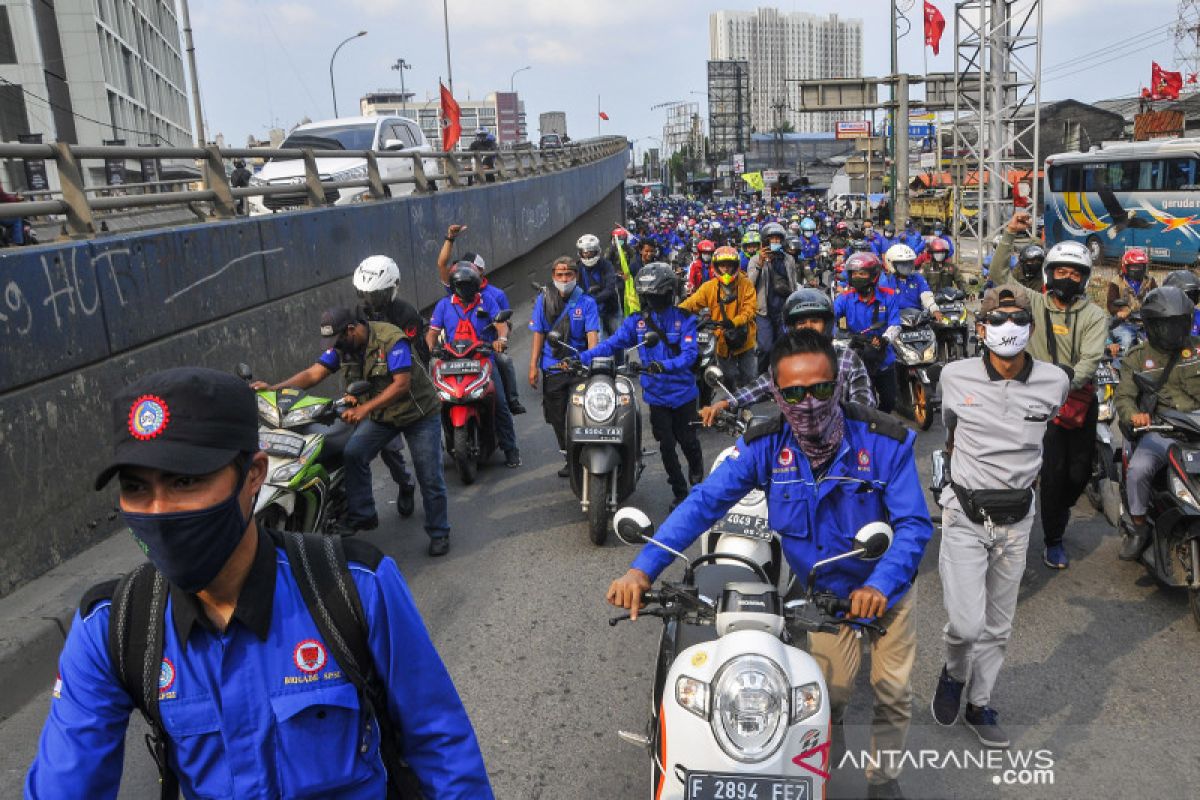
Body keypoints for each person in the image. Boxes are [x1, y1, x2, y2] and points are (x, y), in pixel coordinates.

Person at [26, 367, 492, 797]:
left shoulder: (355, 587)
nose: (158, 511)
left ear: (253, 476)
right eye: (136, 488)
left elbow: (442, 746)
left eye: (185, 481)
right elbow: (64, 782)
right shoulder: (118, 627)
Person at [607, 329, 933, 800]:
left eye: (821, 389)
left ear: (837, 385)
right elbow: (703, 504)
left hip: (889, 587)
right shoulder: (765, 446)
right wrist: (643, 568)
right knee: (825, 693)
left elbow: (913, 525)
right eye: (794, 393)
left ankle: (883, 779)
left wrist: (881, 583)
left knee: (892, 691)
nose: (809, 404)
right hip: (824, 593)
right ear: (777, 395)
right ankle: (821, 753)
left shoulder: (884, 441)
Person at [931, 284, 1069, 749]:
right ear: (980, 328)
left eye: (1017, 320)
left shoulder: (1055, 381)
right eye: (997, 320)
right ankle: (953, 672)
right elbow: (950, 428)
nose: (1007, 328)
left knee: (999, 624)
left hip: (1017, 518)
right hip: (965, 513)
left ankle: (979, 702)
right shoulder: (955, 376)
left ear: (1031, 328)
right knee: (965, 626)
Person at [255, 308, 452, 549]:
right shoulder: (343, 347)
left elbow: (401, 385)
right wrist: (274, 388)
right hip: (382, 415)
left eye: (337, 340)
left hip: (418, 413)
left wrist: (364, 409)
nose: (335, 347)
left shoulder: (391, 340)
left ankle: (439, 532)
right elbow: (313, 373)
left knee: (429, 475)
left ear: (351, 330)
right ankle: (363, 515)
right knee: (354, 453)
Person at [990, 239, 1107, 569]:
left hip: (1079, 402)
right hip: (1039, 404)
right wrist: (1008, 236)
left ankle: (1059, 507)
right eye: (1061, 271)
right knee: (1053, 474)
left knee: (1079, 474)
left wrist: (1064, 385)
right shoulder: (1034, 303)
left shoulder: (1094, 316)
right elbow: (999, 274)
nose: (1067, 277)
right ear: (1049, 272)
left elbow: (1090, 360)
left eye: (1075, 273)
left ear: (1084, 278)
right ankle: (1053, 539)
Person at [581, 262, 703, 509]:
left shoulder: (685, 319)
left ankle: (698, 477)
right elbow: (611, 344)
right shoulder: (636, 322)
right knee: (666, 447)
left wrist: (663, 365)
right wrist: (580, 359)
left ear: (669, 293)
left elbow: (689, 356)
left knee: (688, 440)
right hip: (657, 398)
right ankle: (680, 493)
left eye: (656, 295)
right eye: (647, 295)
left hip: (684, 395)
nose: (651, 300)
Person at [699, 288, 876, 426]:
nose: (808, 327)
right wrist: (724, 403)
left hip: (843, 438)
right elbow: (760, 386)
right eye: (801, 323)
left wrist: (848, 422)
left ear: (826, 324)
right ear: (792, 328)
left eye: (815, 321)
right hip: (795, 439)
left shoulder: (847, 358)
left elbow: (863, 402)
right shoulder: (786, 361)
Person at [1114, 285, 1200, 560]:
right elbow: (1124, 397)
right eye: (1167, 324)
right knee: (1139, 470)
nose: (1174, 330)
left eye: (1179, 323)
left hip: (1197, 429)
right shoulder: (1137, 357)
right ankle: (1139, 526)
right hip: (1162, 431)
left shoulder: (1197, 350)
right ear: (1152, 325)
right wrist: (1134, 416)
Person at [352, 254, 428, 518]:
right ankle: (405, 484)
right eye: (367, 295)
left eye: (377, 294)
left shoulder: (406, 315)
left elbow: (418, 358)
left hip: (408, 389)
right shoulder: (360, 315)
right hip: (377, 391)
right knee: (389, 449)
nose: (371, 301)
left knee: (427, 461)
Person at [428, 264, 521, 468]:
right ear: (453, 286)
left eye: (469, 285)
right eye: (460, 285)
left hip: (482, 358)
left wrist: (501, 340)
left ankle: (510, 448)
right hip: (452, 360)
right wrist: (432, 348)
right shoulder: (444, 305)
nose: (465, 289)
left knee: (499, 402)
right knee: (433, 405)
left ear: (477, 285)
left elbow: (501, 324)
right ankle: (432, 455)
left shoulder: (487, 301)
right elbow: (432, 333)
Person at [437, 225, 526, 414]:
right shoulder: (454, 293)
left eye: (472, 270)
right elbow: (441, 264)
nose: (465, 274)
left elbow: (504, 323)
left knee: (503, 371)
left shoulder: (493, 297)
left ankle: (512, 401)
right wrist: (449, 239)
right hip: (457, 356)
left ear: (481, 272)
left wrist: (500, 340)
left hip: (485, 352)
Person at [528, 256, 602, 477]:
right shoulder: (544, 300)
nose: (564, 279)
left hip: (578, 368)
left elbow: (592, 336)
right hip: (552, 368)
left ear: (576, 276)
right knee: (557, 418)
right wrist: (533, 366)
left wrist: (592, 363)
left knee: (585, 415)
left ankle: (586, 454)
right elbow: (538, 334)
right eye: (559, 275)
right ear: (553, 277)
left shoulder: (587, 303)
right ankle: (569, 458)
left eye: (568, 274)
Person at [679, 245, 757, 388]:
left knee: (749, 376)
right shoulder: (709, 287)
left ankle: (746, 409)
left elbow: (750, 309)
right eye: (722, 266)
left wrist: (735, 322)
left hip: (745, 337)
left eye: (729, 265)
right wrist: (674, 313)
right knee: (728, 377)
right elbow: (691, 303)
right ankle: (732, 406)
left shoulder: (746, 284)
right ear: (716, 267)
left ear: (736, 266)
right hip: (721, 340)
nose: (726, 269)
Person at [835, 252, 901, 413]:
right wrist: (840, 337)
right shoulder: (845, 299)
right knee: (865, 404)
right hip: (858, 357)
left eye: (862, 273)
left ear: (873, 276)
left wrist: (885, 339)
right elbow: (830, 318)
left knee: (889, 401)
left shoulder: (888, 296)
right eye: (854, 273)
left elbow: (896, 324)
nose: (857, 277)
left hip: (884, 357)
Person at [747, 221, 799, 373]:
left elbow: (793, 283)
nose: (775, 242)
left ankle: (782, 376)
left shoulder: (788, 259)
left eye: (777, 239)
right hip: (763, 311)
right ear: (765, 241)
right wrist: (760, 264)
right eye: (772, 239)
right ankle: (762, 377)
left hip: (783, 309)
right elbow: (749, 284)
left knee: (784, 347)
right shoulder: (755, 260)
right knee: (765, 347)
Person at [1107, 249, 1157, 354]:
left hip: (1145, 323)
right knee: (1126, 340)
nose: (1138, 269)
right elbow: (1111, 303)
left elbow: (1158, 298)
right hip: (1124, 322)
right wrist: (1119, 312)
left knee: (1156, 343)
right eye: (1134, 267)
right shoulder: (1117, 281)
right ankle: (1118, 368)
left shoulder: (1150, 281)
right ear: (1126, 267)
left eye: (1140, 267)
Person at [576, 233, 622, 336]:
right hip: (591, 310)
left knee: (617, 337)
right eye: (584, 253)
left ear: (597, 251)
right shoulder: (577, 267)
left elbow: (610, 288)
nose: (587, 255)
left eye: (590, 252)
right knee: (598, 338)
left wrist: (594, 299)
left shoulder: (606, 265)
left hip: (610, 307)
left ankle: (620, 352)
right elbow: (573, 286)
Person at [882, 243, 942, 319]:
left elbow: (926, 295)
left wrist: (934, 309)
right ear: (891, 264)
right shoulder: (887, 281)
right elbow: (882, 303)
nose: (907, 267)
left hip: (917, 317)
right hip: (896, 320)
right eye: (902, 264)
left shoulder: (917, 278)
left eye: (909, 263)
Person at [992, 212, 1041, 290]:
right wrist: (1011, 230)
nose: (1034, 264)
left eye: (1037, 261)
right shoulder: (1018, 272)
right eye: (1030, 261)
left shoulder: (1046, 276)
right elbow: (998, 274)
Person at [608, 226, 642, 317]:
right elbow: (607, 266)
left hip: (628, 277)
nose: (622, 241)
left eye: (623, 239)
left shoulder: (627, 248)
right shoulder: (611, 250)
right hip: (616, 279)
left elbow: (634, 258)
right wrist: (617, 274)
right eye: (620, 239)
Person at [1163, 269, 1200, 335]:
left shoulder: (1198, 316)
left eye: (1193, 295)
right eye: (1183, 297)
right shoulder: (1161, 318)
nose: (1188, 302)